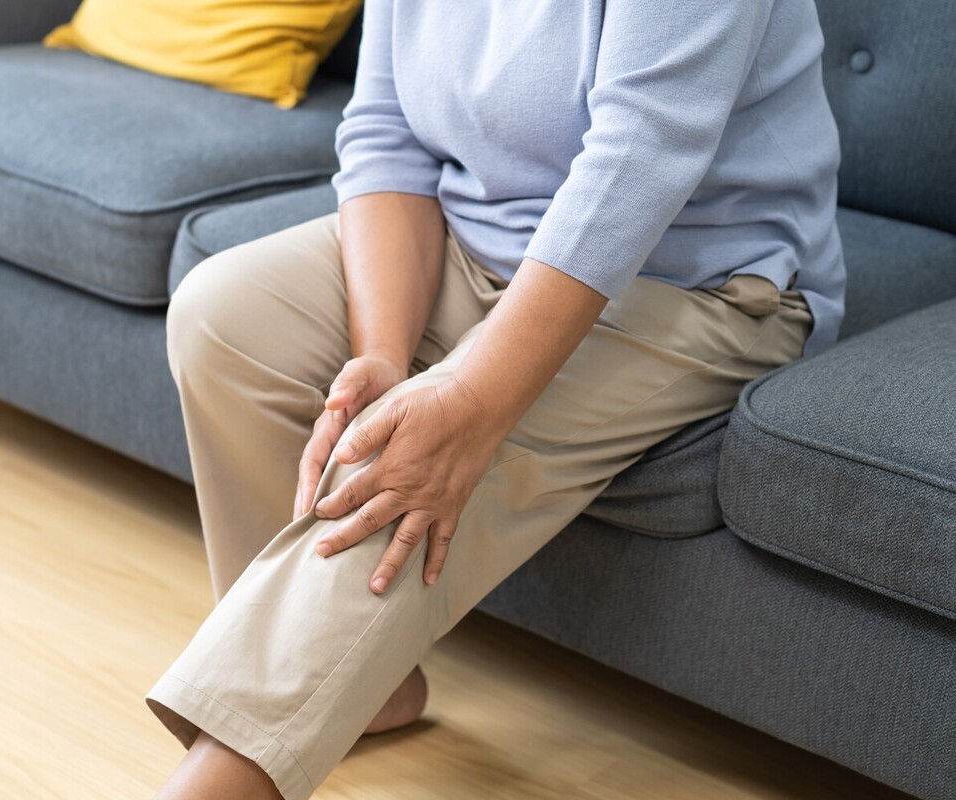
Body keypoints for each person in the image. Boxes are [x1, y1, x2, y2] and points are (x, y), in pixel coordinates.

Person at [146, 0, 844, 798]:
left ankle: (232, 766)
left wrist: (473, 398)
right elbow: (385, 129)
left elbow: (640, 156)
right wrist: (384, 352)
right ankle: (370, 690)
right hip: (473, 243)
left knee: (406, 467)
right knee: (223, 313)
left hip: (688, 283)